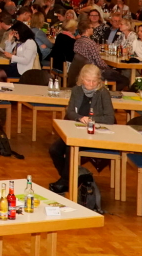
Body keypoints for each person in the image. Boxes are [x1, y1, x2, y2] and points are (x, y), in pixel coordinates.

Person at [48, 64, 116, 194]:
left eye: (94, 81)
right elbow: (70, 112)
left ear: (99, 80)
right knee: (54, 149)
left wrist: (92, 119)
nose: (91, 84)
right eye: (88, 80)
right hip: (76, 131)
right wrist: (80, 118)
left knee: (70, 148)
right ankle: (73, 178)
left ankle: (66, 182)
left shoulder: (103, 93)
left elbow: (110, 118)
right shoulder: (76, 90)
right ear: (82, 79)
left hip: (95, 134)